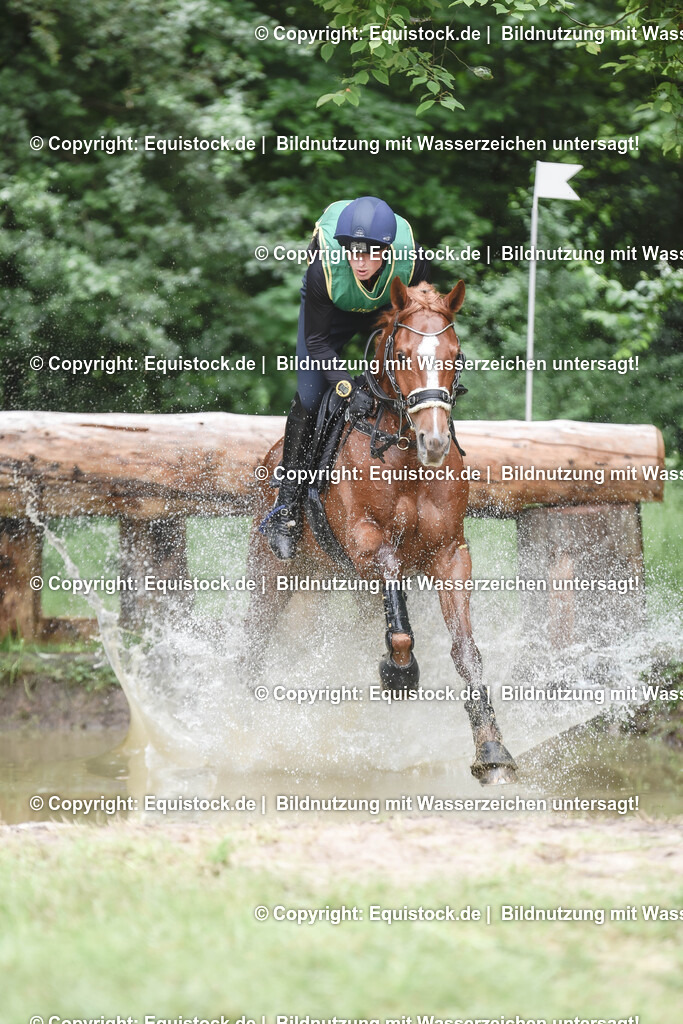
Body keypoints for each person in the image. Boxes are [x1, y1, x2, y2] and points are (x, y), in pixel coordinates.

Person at [262, 196, 431, 559]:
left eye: (370, 253)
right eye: (353, 251)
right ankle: (285, 507)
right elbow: (318, 342)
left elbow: (421, 326)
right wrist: (345, 386)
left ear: (387, 252)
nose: (359, 261)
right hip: (331, 316)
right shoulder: (324, 270)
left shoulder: (413, 264)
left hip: (385, 307)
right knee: (309, 397)